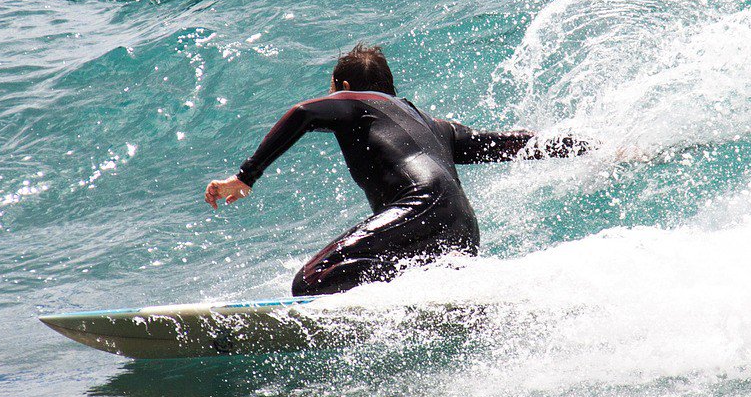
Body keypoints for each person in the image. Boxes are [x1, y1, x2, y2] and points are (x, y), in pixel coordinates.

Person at [204, 43, 589, 296]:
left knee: (311, 281)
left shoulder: (354, 101)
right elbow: (510, 143)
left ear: (343, 86)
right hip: (462, 228)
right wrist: (593, 145)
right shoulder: (437, 126)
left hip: (421, 208)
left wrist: (245, 176)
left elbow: (303, 113)